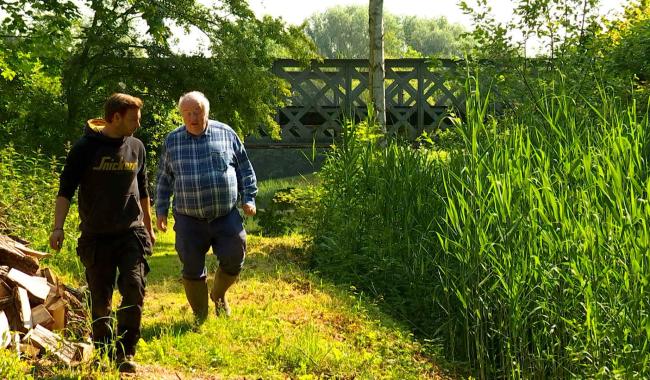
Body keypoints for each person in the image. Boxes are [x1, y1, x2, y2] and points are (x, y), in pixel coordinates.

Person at [49, 93, 154, 373]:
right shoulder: (85, 148)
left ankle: (125, 352)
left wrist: (149, 227)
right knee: (100, 299)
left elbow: (143, 190)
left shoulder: (137, 147)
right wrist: (57, 227)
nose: (138, 124)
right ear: (115, 118)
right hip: (96, 236)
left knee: (134, 287)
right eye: (134, 119)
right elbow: (65, 190)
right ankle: (104, 351)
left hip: (131, 233)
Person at [156, 91, 257, 323]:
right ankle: (200, 315)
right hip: (188, 218)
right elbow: (163, 178)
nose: (193, 117)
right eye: (187, 113)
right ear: (181, 115)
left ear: (207, 112)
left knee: (235, 257)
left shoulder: (226, 133)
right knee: (191, 268)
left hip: (225, 215)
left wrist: (248, 198)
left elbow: (244, 169)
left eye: (197, 111)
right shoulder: (172, 140)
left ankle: (219, 294)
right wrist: (160, 210)